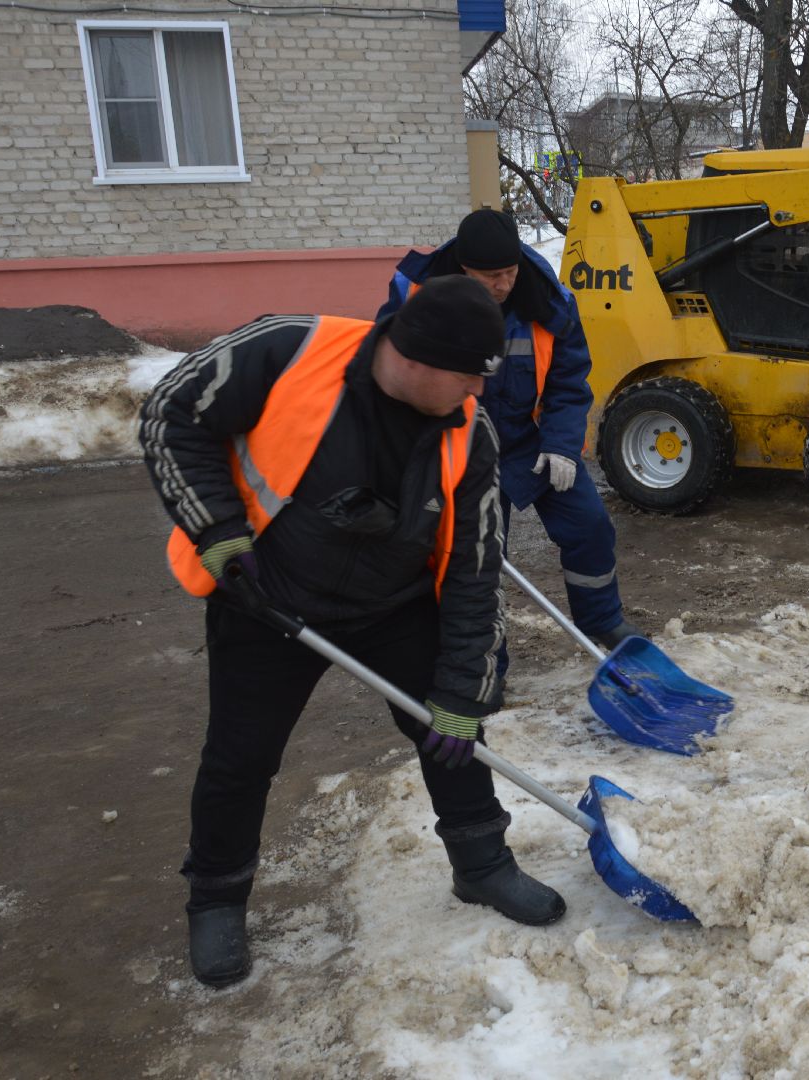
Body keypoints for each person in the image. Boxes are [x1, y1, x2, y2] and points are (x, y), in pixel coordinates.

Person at [140, 276, 567, 990]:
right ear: (421, 359)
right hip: (266, 596)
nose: (477, 395)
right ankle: (216, 899)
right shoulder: (286, 350)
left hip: (394, 604)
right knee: (239, 759)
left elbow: (475, 571)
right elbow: (170, 414)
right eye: (469, 377)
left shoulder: (470, 434)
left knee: (452, 733)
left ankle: (483, 865)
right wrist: (219, 535)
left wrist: (466, 692)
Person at [379, 210, 640, 680]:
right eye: (490, 277)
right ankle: (484, 662)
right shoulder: (415, 298)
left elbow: (568, 379)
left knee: (589, 524)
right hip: (457, 447)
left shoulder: (549, 301)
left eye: (510, 273)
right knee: (475, 559)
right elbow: (390, 377)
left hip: (531, 440)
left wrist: (562, 444)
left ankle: (602, 621)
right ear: (463, 268)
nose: (503, 285)